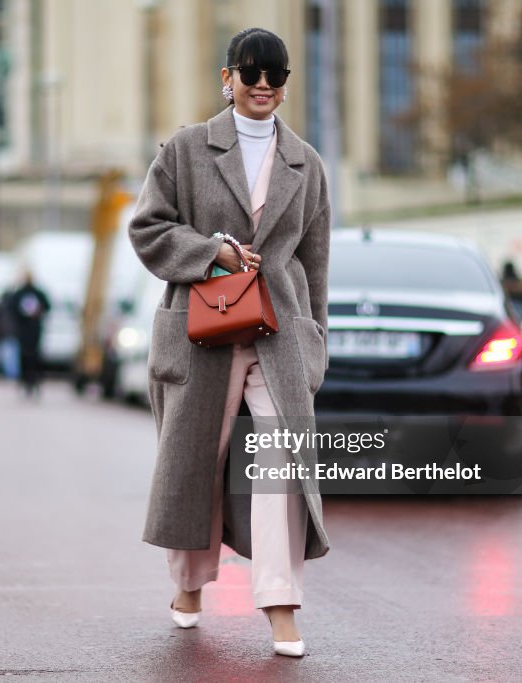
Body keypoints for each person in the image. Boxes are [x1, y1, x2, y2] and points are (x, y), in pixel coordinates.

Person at [128, 28, 331, 658]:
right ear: (229, 78)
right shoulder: (187, 150)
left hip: (279, 335)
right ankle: (189, 585)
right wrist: (209, 252)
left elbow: (315, 263)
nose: (264, 86)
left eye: (275, 76)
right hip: (202, 332)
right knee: (197, 462)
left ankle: (280, 604)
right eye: (251, 74)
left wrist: (314, 339)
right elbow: (148, 227)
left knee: (282, 467)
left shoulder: (307, 162)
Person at [8, 271, 51, 397]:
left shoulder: (37, 293)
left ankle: (34, 381)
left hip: (34, 330)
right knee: (25, 357)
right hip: (24, 330)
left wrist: (39, 311)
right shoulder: (20, 293)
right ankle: (26, 382)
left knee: (34, 357)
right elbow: (12, 308)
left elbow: (47, 307)